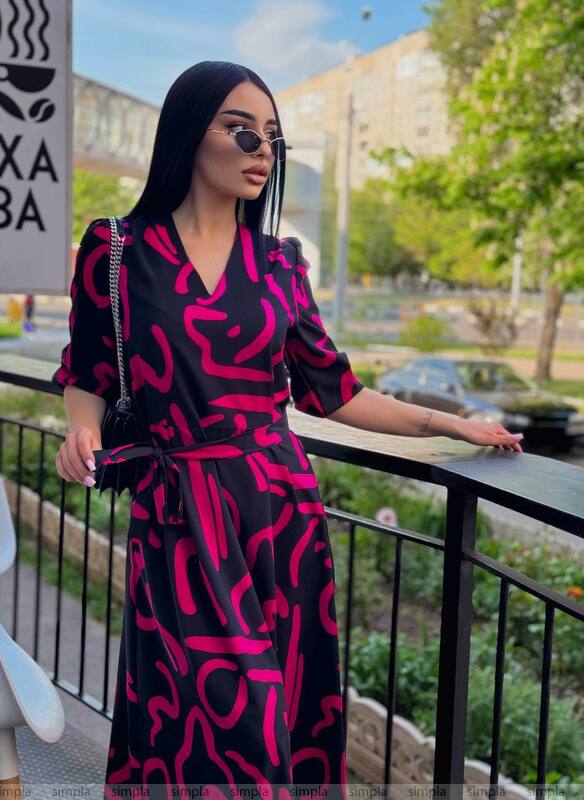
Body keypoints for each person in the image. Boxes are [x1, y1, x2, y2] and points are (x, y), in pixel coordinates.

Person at [52, 61, 523, 799]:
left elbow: (333, 389)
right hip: (179, 519)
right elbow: (87, 370)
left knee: (281, 709)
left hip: (280, 513)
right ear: (187, 132)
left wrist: (451, 423)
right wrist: (78, 432)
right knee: (215, 711)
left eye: (274, 138)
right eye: (242, 130)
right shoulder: (117, 249)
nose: (261, 150)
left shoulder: (279, 264)